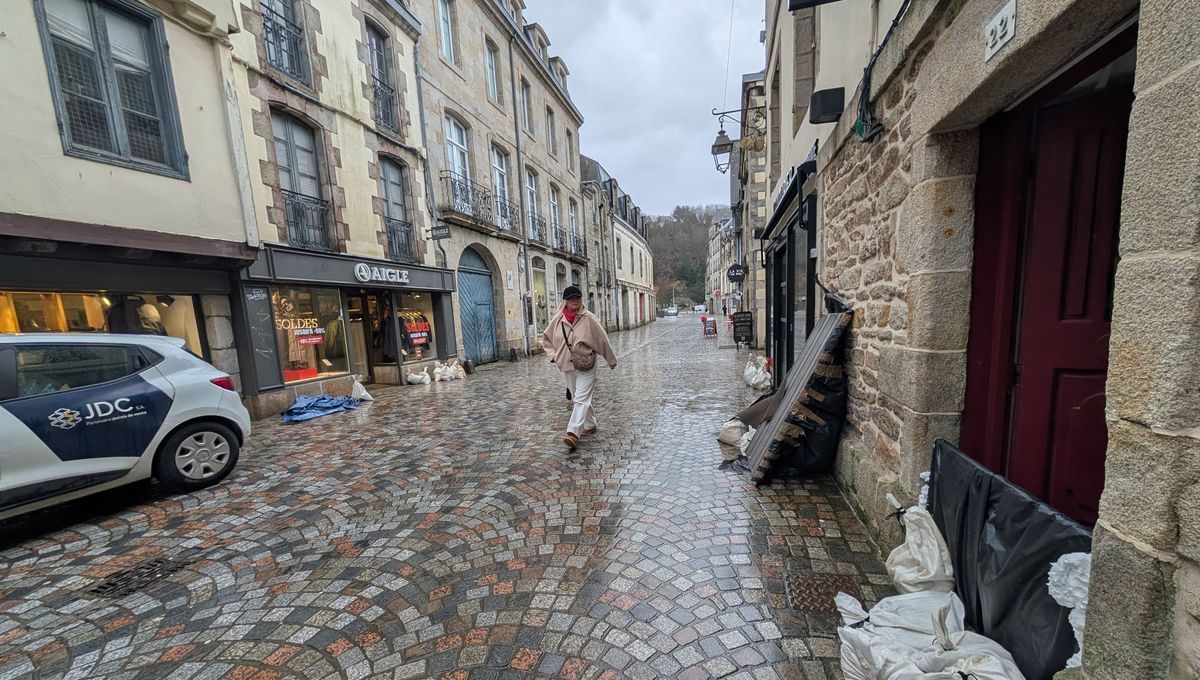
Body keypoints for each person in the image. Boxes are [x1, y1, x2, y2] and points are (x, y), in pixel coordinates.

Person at [542, 285, 617, 450]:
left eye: (577, 298)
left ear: (581, 299)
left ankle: (573, 432)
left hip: (586, 363)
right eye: (571, 298)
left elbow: (602, 339)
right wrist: (553, 356)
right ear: (565, 301)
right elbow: (546, 339)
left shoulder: (589, 318)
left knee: (580, 398)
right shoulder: (558, 319)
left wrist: (610, 359)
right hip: (567, 364)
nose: (574, 301)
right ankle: (590, 424)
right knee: (578, 396)